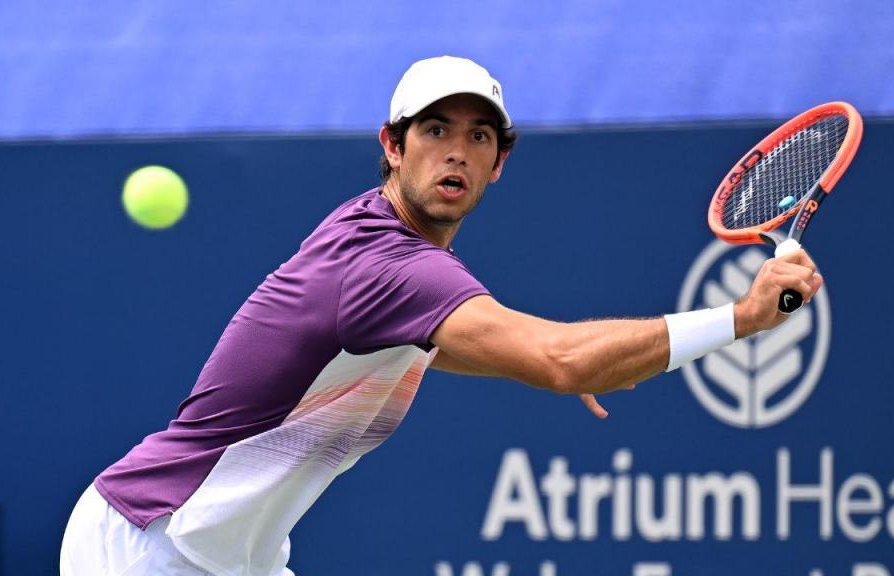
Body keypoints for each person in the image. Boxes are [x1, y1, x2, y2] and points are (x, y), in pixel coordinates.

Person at [60, 55, 822, 575]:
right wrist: (742, 319)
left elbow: (410, 345)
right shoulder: (392, 267)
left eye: (478, 136)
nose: (455, 153)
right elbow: (561, 358)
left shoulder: (380, 248)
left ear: (499, 163)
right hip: (147, 544)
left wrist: (567, 357)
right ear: (392, 147)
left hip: (226, 556)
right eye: (434, 131)